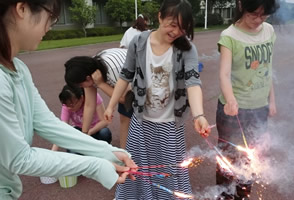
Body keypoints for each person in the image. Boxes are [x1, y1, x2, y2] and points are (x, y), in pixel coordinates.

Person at [0, 1, 137, 199]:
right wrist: (94, 165)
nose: (50, 26)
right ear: (22, 9)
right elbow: (18, 158)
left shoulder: (19, 68)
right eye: (50, 17)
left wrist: (107, 151)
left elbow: (47, 124)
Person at [104, 0, 211, 199]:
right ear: (160, 16)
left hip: (170, 125)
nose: (176, 31)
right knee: (138, 169)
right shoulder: (139, 42)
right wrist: (110, 105)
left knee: (168, 171)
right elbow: (125, 75)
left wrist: (199, 115)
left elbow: (193, 83)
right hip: (142, 122)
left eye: (182, 27)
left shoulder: (187, 49)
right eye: (172, 24)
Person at [216, 0, 279, 199]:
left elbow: (267, 69)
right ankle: (225, 195)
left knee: (252, 157)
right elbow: (224, 74)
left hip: (259, 107)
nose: (258, 20)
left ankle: (243, 195)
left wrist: (272, 100)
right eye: (254, 14)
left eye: (264, 15)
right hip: (233, 109)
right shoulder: (229, 36)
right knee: (229, 158)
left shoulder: (268, 31)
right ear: (242, 5)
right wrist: (230, 100)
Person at [64, 48, 133, 149]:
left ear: (87, 78)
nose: (80, 87)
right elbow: (89, 105)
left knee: (134, 116)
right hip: (121, 74)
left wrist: (101, 84)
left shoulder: (112, 70)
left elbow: (124, 99)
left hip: (141, 73)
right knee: (124, 117)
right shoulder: (89, 72)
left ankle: (136, 153)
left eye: (80, 84)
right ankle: (124, 153)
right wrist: (84, 134)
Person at [51, 85, 112, 152]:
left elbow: (105, 121)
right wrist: (53, 152)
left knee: (105, 133)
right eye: (67, 105)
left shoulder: (93, 97)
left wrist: (90, 132)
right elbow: (63, 128)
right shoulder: (67, 105)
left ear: (81, 98)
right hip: (79, 131)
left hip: (96, 130)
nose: (69, 108)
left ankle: (97, 149)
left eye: (72, 105)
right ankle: (86, 150)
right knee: (71, 147)